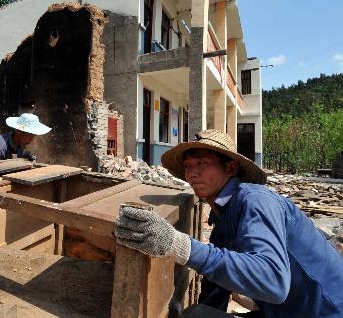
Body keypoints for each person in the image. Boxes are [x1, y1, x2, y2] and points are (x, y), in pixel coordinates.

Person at [115, 129, 343, 318]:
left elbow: (273, 281)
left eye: (203, 162)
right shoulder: (223, 220)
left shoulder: (255, 201)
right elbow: (216, 290)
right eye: (188, 166)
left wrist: (178, 244)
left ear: (230, 168)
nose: (192, 173)